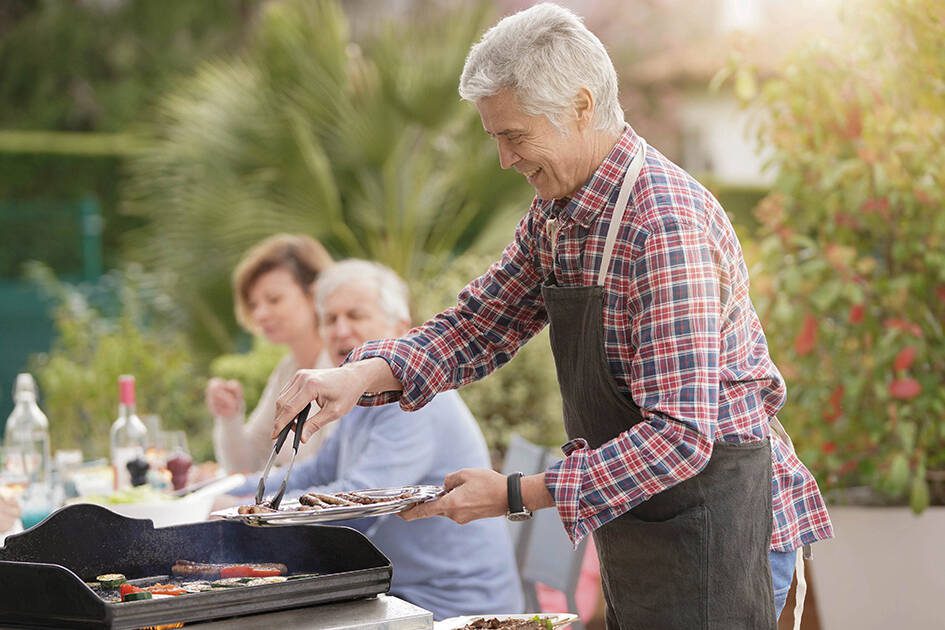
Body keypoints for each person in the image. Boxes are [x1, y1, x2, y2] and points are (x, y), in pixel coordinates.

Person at [271, 4, 833, 628]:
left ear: (582, 106)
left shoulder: (664, 227)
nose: (506, 159)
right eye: (496, 138)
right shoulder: (557, 214)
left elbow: (680, 438)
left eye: (514, 135)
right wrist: (359, 374)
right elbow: (479, 323)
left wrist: (516, 494)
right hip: (642, 512)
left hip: (718, 517)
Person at [225, 259, 523, 619]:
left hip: (451, 606)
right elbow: (316, 472)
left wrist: (253, 518)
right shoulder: (366, 396)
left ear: (402, 328)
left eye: (356, 315)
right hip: (398, 591)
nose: (340, 330)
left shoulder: (418, 402)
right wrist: (234, 492)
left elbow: (357, 510)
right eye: (330, 320)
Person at [207, 233, 334, 474]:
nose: (260, 314)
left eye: (273, 299)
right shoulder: (288, 369)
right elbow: (248, 464)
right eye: (253, 304)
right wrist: (230, 416)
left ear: (315, 293)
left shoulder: (342, 364)